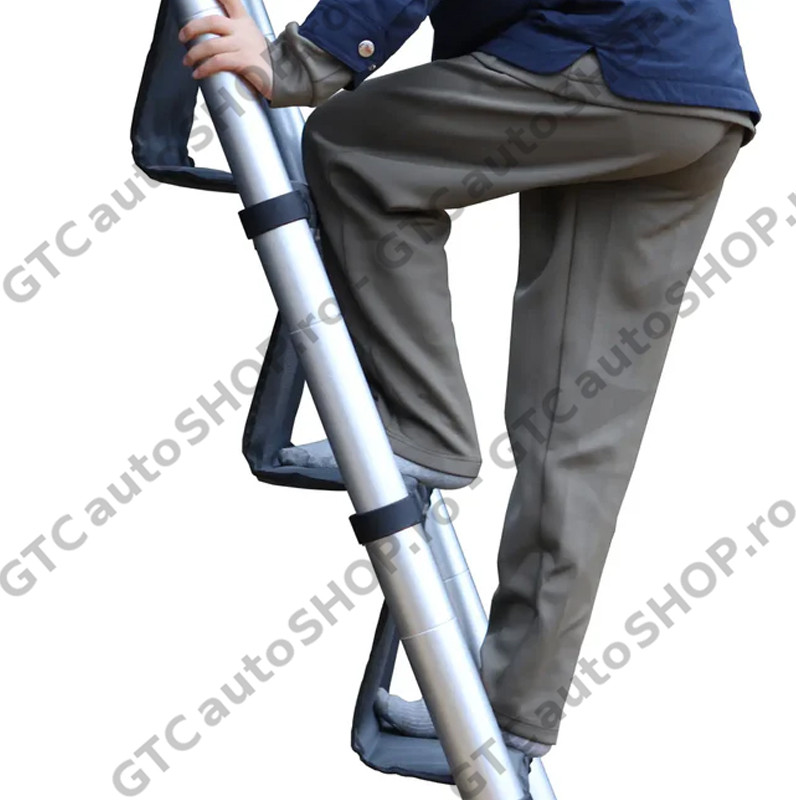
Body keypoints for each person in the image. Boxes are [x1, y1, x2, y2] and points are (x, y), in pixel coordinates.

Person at [179, 0, 760, 765]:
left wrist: (303, 61)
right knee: (580, 423)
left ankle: (426, 428)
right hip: (693, 97)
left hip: (600, 57)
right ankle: (516, 707)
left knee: (354, 148)